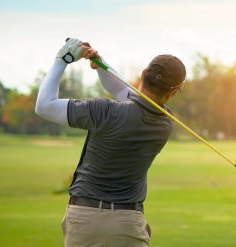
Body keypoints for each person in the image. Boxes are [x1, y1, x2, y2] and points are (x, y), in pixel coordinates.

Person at [35, 38, 186, 247]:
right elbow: (124, 93)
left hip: (83, 220)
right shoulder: (164, 123)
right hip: (128, 224)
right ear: (172, 91)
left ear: (143, 74)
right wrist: (100, 63)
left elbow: (44, 106)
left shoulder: (103, 110)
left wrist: (62, 60)